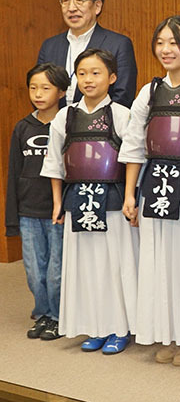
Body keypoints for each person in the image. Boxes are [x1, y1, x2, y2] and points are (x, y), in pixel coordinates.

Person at [119, 16, 180, 367]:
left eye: (174, 42)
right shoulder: (149, 91)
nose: (166, 49)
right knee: (159, 261)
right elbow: (133, 146)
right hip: (155, 182)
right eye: (160, 42)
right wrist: (130, 194)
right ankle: (168, 332)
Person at [40, 48, 138, 354]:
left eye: (96, 73)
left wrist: (131, 197)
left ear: (111, 77)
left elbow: (134, 157)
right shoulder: (64, 116)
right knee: (85, 268)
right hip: (77, 200)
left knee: (114, 266)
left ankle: (119, 328)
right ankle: (95, 327)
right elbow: (55, 161)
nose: (88, 79)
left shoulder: (122, 115)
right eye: (82, 73)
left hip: (111, 200)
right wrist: (57, 202)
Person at [6, 64, 69, 341]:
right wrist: (12, 218)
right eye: (33, 87)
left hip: (56, 211)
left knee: (56, 272)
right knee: (34, 271)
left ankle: (57, 316)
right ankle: (43, 312)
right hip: (28, 212)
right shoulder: (23, 127)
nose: (38, 94)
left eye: (46, 88)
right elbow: (13, 172)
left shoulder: (67, 123)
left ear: (62, 91)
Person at [37, 0, 137, 108]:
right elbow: (40, 90)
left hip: (101, 126)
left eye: (80, 1)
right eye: (65, 1)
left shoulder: (119, 44)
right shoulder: (49, 46)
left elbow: (123, 95)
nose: (71, 8)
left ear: (97, 6)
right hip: (56, 126)